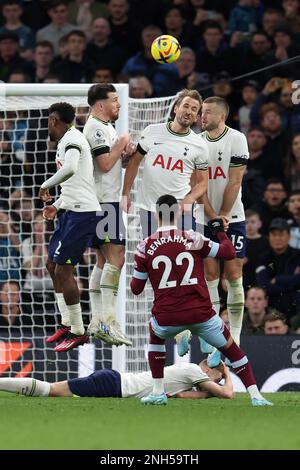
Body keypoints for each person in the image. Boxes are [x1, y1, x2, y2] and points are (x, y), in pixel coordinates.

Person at [130, 194, 272, 406]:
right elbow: (229, 252)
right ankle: (256, 396)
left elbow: (135, 289)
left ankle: (159, 392)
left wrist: (147, 271)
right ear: (178, 212)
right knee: (233, 350)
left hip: (168, 316)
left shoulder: (144, 247)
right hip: (201, 314)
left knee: (155, 334)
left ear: (155, 215)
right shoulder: (192, 237)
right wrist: (220, 233)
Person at [182, 96, 249, 368]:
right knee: (209, 276)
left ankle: (235, 338)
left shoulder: (237, 139)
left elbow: (235, 182)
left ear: (221, 116)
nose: (201, 117)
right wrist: (211, 215)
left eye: (207, 112)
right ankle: (213, 338)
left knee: (233, 276)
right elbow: (196, 183)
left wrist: (223, 215)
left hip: (233, 216)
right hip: (202, 217)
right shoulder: (195, 142)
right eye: (201, 112)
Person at [39, 102, 101, 352]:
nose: (48, 127)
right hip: (70, 210)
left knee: (64, 270)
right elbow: (76, 182)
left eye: (48, 122)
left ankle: (78, 329)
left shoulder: (72, 138)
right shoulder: (69, 138)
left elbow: (71, 168)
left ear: (54, 120)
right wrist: (58, 204)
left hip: (82, 214)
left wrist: (45, 185)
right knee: (51, 265)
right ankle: (66, 321)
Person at [83, 84, 134, 346]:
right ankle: (108, 320)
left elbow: (110, 164)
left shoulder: (104, 127)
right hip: (104, 203)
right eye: (114, 101)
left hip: (103, 201)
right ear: (100, 104)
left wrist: (124, 156)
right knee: (117, 257)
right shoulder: (96, 128)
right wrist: (123, 143)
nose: (119, 105)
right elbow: (104, 164)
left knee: (103, 261)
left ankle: (97, 320)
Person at [122, 88, 209, 238]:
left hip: (180, 211)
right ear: (176, 108)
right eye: (186, 106)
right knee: (153, 257)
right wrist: (125, 193)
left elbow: (202, 183)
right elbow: (134, 163)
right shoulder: (151, 131)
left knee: (183, 257)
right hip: (149, 208)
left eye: (194, 109)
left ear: (196, 117)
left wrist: (188, 200)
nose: (189, 111)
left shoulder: (199, 145)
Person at [0, 360, 233, 400]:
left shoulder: (189, 375)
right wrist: (229, 374)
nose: (218, 382)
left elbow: (183, 396)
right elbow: (227, 394)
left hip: (115, 382)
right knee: (51, 391)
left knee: (54, 391)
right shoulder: (193, 370)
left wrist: (205, 393)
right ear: (209, 370)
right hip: (113, 384)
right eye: (219, 377)